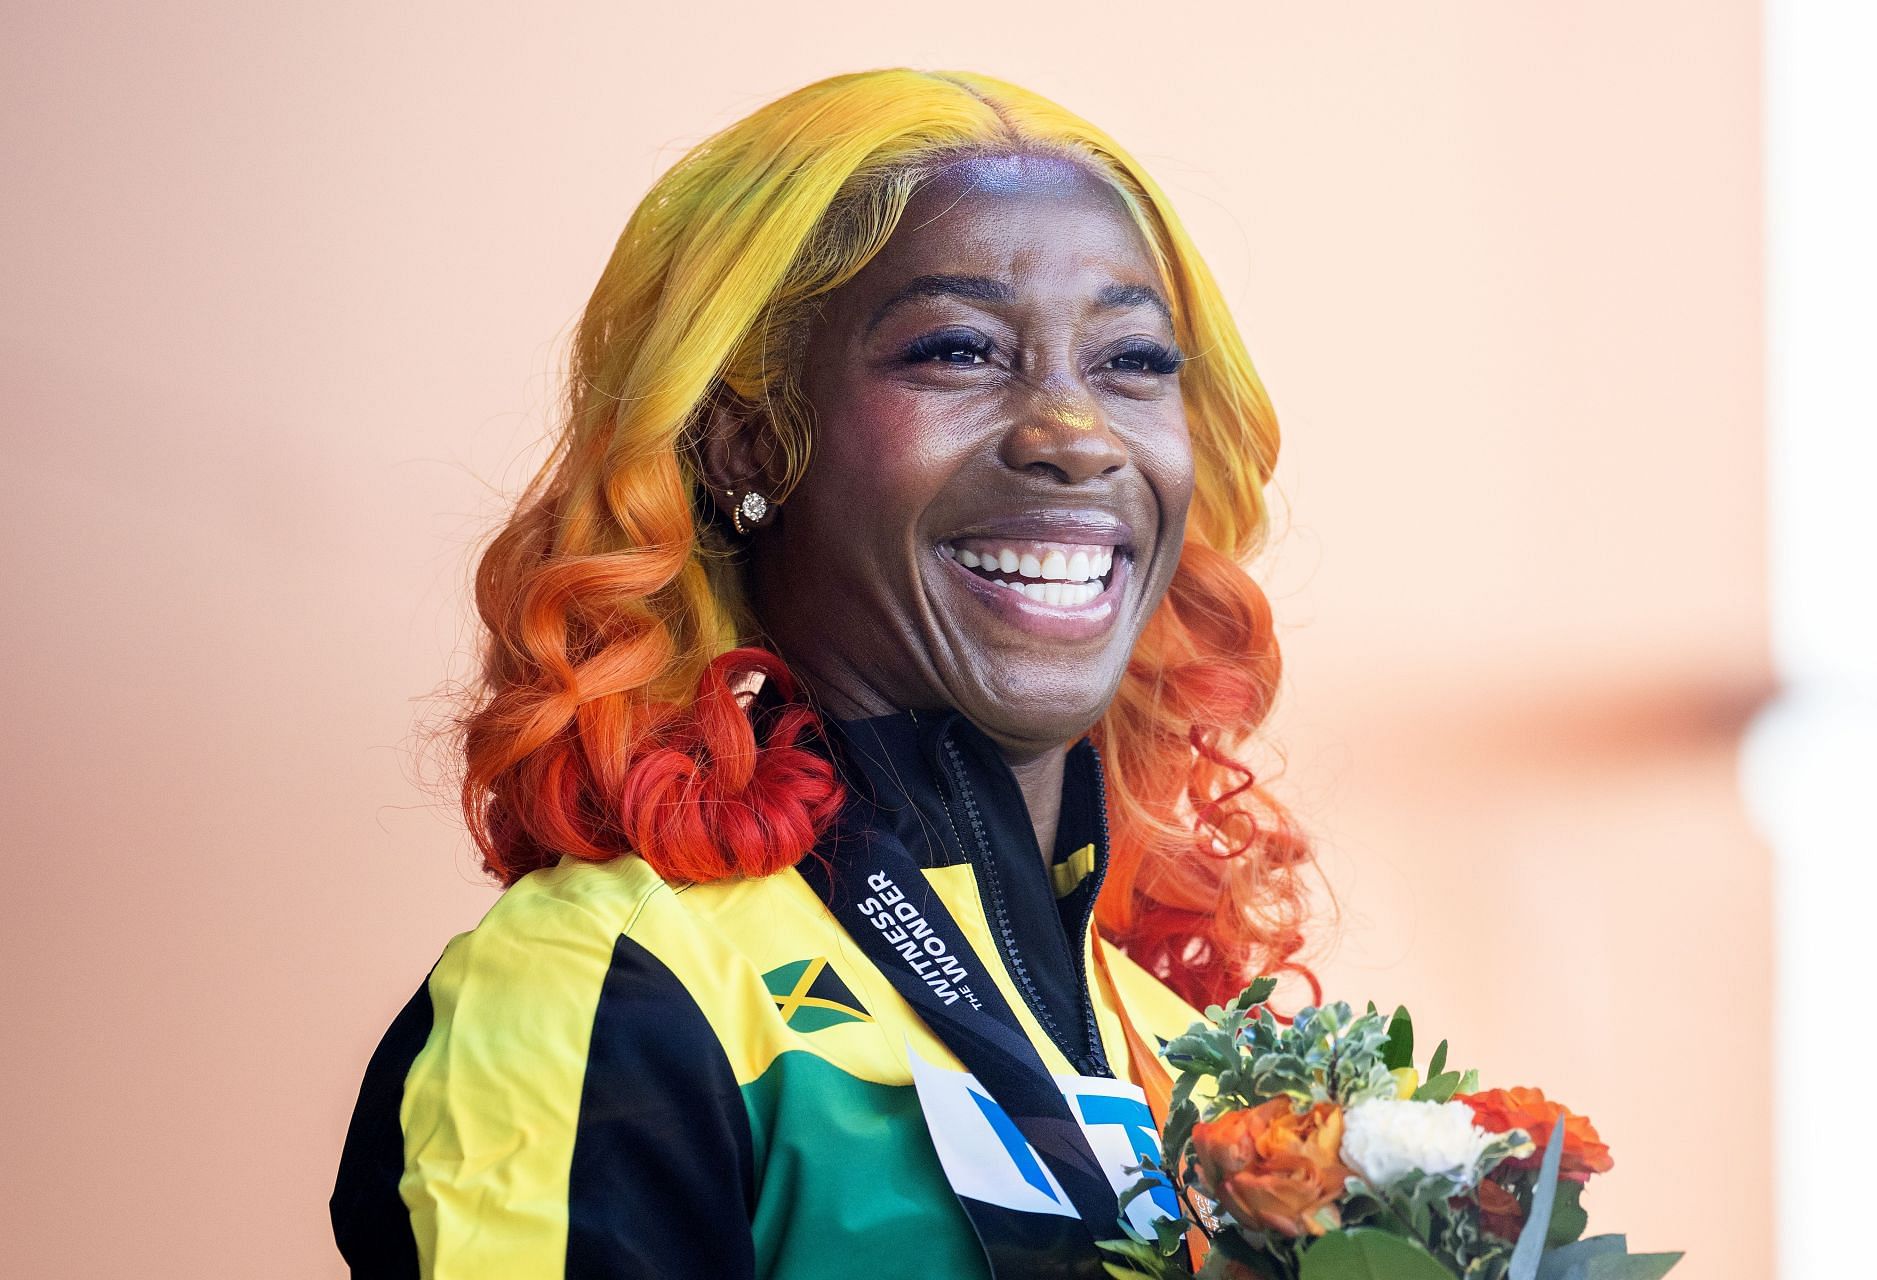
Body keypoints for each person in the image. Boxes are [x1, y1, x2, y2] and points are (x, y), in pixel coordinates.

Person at [330, 67, 1318, 1279]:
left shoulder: (1186, 1054)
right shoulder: (623, 986)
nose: (1076, 432)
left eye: (1133, 360)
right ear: (750, 439)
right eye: (960, 349)